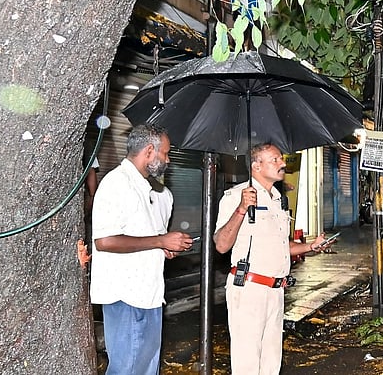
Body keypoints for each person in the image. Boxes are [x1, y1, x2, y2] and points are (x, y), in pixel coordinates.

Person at [214, 142, 330, 375]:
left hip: (276, 290)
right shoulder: (236, 196)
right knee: (247, 363)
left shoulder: (278, 198)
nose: (283, 163)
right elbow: (221, 245)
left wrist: (310, 246)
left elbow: (280, 245)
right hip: (249, 289)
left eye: (281, 159)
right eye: (275, 159)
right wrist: (241, 209)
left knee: (271, 363)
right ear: (256, 166)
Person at [90, 124, 193, 375]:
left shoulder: (148, 188)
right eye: (166, 154)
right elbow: (104, 241)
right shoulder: (117, 183)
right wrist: (159, 241)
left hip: (149, 294)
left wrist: (165, 246)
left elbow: (145, 238)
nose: (168, 160)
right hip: (126, 296)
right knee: (127, 368)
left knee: (147, 368)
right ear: (149, 151)